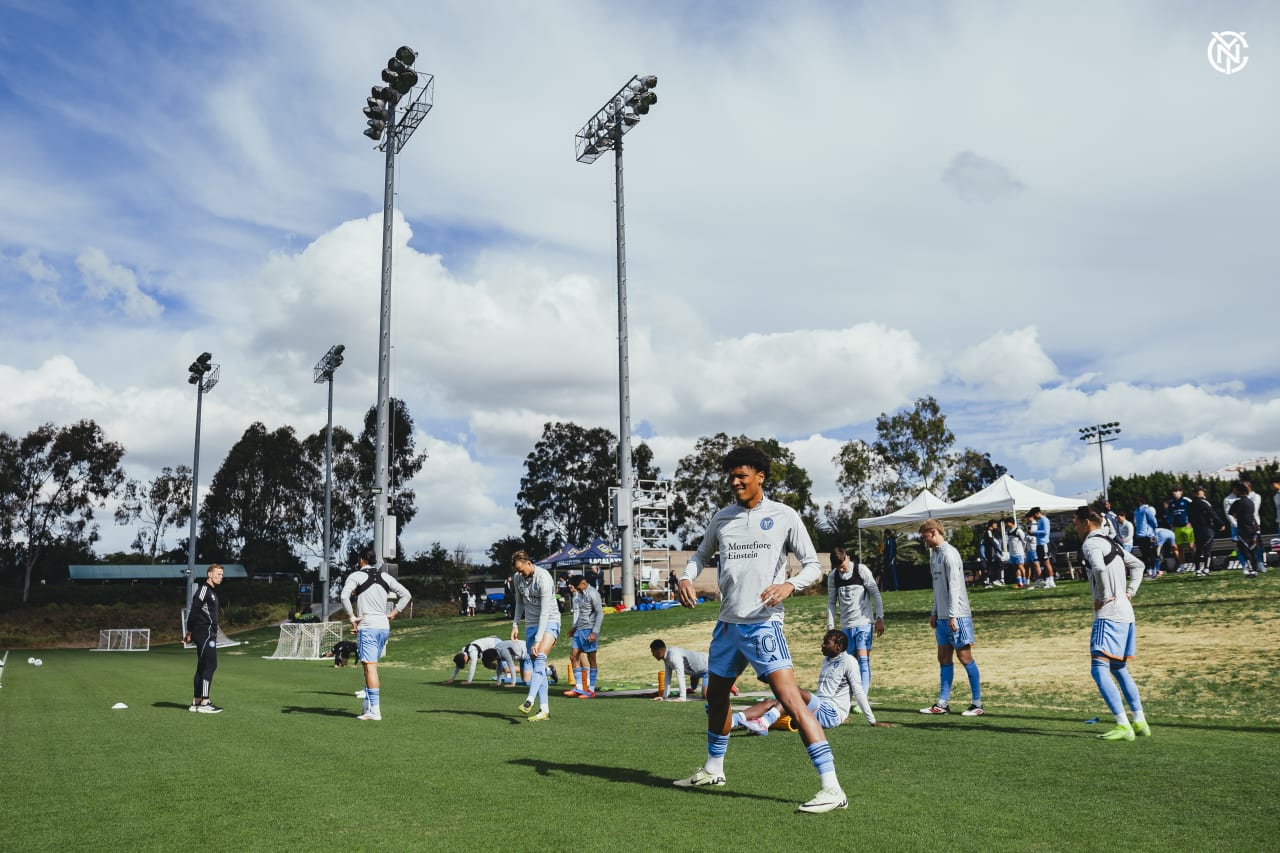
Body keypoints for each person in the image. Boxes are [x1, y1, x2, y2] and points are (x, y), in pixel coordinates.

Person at [671, 445, 847, 814]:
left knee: (791, 700)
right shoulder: (722, 518)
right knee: (715, 696)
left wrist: (790, 585)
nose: (735, 482)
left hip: (763, 626)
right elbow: (700, 556)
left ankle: (831, 787)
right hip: (727, 626)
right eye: (731, 477)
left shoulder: (783, 515)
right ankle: (713, 769)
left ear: (760, 477)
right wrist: (687, 577)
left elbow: (815, 564)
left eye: (742, 476)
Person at [1073, 504, 1150, 741]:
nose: (1074, 526)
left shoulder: (1091, 543)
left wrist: (1101, 597)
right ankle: (1139, 721)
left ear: (1087, 523)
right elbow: (1139, 565)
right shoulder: (1112, 543)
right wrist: (1130, 593)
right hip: (1126, 613)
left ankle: (1122, 724)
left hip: (1110, 613)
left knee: (1099, 669)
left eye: (1075, 521)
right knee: (1118, 668)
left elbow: (1098, 567)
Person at [732, 630, 893, 734]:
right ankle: (733, 721)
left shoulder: (849, 661)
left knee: (792, 691)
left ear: (838, 646)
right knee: (770, 701)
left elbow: (858, 691)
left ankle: (764, 722)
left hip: (831, 712)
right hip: (819, 707)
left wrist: (872, 720)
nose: (821, 645)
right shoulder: (827, 660)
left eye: (826, 643)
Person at [918, 519, 984, 717]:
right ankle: (943, 703)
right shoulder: (934, 556)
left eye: (925, 537)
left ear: (934, 532)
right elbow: (938, 588)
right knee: (943, 657)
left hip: (958, 616)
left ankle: (977, 704)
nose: (924, 541)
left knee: (964, 657)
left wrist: (953, 615)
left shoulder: (950, 554)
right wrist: (935, 612)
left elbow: (955, 587)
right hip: (942, 618)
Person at [340, 548, 412, 721]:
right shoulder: (386, 577)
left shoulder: (356, 576)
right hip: (383, 626)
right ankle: (367, 706)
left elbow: (344, 596)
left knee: (369, 667)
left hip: (368, 625)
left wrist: (352, 618)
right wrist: (394, 613)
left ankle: (375, 711)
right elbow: (406, 595)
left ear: (360, 560)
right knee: (370, 667)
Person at [825, 547, 884, 695]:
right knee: (850, 663)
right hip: (846, 626)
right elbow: (831, 602)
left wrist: (879, 618)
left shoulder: (861, 570)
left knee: (863, 660)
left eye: (843, 566)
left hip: (864, 622)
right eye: (839, 568)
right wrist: (830, 625)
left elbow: (875, 594)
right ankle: (848, 695)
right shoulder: (833, 577)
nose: (842, 570)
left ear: (848, 558)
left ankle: (862, 697)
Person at [512, 550, 559, 721]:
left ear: (529, 563)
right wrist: (515, 624)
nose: (520, 573)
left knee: (539, 658)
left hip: (550, 621)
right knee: (538, 666)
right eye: (517, 570)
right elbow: (519, 602)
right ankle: (544, 710)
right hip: (531, 624)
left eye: (521, 569)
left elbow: (545, 612)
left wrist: (538, 640)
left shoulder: (544, 578)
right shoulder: (518, 578)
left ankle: (529, 700)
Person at [184, 563, 225, 713]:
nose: (221, 577)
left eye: (222, 574)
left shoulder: (213, 592)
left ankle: (196, 702)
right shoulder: (204, 590)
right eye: (218, 574)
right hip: (205, 633)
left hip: (208, 633)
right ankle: (205, 703)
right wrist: (189, 632)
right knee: (210, 665)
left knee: (202, 667)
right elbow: (194, 610)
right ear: (210, 574)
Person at [564, 575, 604, 698]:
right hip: (579, 630)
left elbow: (600, 614)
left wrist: (594, 632)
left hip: (589, 630)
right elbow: (582, 614)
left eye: (577, 587)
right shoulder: (580, 594)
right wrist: (574, 628)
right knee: (573, 656)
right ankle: (579, 687)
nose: (577, 590)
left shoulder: (593, 594)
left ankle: (591, 689)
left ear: (583, 583)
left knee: (592, 659)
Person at [1227, 481, 1262, 578]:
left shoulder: (1237, 502)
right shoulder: (1250, 502)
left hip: (1243, 529)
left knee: (1244, 550)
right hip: (1253, 527)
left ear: (1238, 491)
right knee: (1253, 550)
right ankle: (1255, 570)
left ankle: (1251, 570)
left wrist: (1238, 516)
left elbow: (1231, 513)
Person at [1188, 485, 1225, 576]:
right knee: (1207, 549)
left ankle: (1197, 569)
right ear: (1199, 492)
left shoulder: (1191, 504)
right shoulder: (1204, 503)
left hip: (1197, 529)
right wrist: (1221, 523)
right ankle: (1206, 568)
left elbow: (1190, 517)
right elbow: (1212, 513)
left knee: (1199, 549)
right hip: (1207, 528)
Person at [1165, 486, 1194, 570]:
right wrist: (1171, 524)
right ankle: (1182, 567)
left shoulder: (1186, 501)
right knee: (1180, 548)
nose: (1175, 493)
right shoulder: (1171, 503)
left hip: (1187, 527)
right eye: (1173, 491)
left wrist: (1190, 522)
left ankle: (1197, 563)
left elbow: (1193, 512)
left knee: (1191, 546)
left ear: (1181, 492)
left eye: (1177, 491)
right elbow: (1169, 515)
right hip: (1177, 528)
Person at [1027, 507, 1056, 589]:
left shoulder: (1044, 520)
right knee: (1043, 563)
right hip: (1039, 543)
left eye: (1034, 515)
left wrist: (1033, 532)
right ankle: (1047, 580)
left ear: (1037, 513)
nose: (1033, 517)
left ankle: (1051, 581)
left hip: (1044, 543)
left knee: (1047, 562)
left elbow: (1045, 532)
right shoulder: (1039, 521)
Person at [1133, 497, 1159, 577]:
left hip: (1148, 535)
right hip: (1140, 536)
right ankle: (1148, 570)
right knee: (1144, 554)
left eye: (1136, 501)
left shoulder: (1146, 509)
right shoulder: (1136, 511)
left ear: (1141, 502)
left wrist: (1154, 533)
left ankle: (1155, 571)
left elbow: (1153, 521)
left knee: (1151, 554)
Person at [1003, 517, 1030, 589]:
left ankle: (1025, 582)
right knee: (1015, 568)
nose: (1006, 524)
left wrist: (1024, 550)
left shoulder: (1018, 530)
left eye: (1006, 523)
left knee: (1021, 567)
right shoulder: (1008, 532)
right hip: (1012, 553)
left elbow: (1024, 541)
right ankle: (1019, 583)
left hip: (1019, 552)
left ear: (1010, 522)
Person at [981, 520, 1004, 586]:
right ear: (992, 524)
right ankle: (995, 579)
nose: (996, 526)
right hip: (991, 552)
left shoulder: (990, 532)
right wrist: (999, 551)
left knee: (990, 567)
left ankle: (988, 581)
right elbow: (992, 543)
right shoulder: (988, 532)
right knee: (997, 565)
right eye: (995, 524)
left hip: (990, 551)